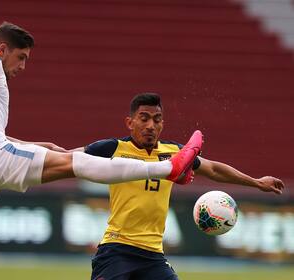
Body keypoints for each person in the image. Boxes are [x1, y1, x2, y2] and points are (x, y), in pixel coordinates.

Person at [0, 22, 203, 280]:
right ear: (3, 49)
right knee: (73, 163)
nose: (23, 66)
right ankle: (166, 169)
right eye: (21, 57)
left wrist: (31, 146)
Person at [75, 93, 285, 280]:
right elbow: (67, 157)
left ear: (162, 124)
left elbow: (213, 169)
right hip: (117, 250)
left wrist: (256, 182)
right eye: (144, 118)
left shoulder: (174, 152)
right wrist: (43, 152)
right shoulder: (113, 148)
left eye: (156, 120)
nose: (150, 126)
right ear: (130, 123)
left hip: (152, 255)